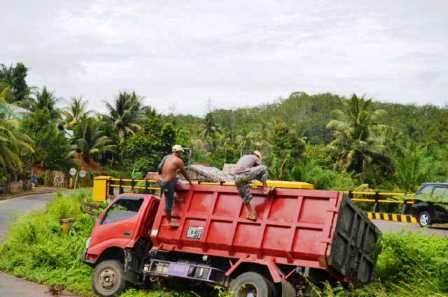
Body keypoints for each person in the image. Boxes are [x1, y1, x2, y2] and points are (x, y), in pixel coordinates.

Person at [159, 144, 192, 227]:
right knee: (168, 202)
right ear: (178, 152)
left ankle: (174, 196)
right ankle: (169, 222)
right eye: (180, 152)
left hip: (163, 181)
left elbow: (159, 167)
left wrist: (168, 173)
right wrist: (190, 182)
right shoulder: (178, 161)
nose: (181, 154)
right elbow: (184, 173)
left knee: (175, 181)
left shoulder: (166, 157)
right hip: (168, 183)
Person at [232, 150, 270, 220]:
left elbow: (245, 170)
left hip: (236, 178)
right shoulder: (255, 157)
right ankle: (265, 188)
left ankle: (251, 214)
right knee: (263, 168)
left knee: (245, 196)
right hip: (245, 174)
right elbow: (260, 169)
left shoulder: (244, 157)